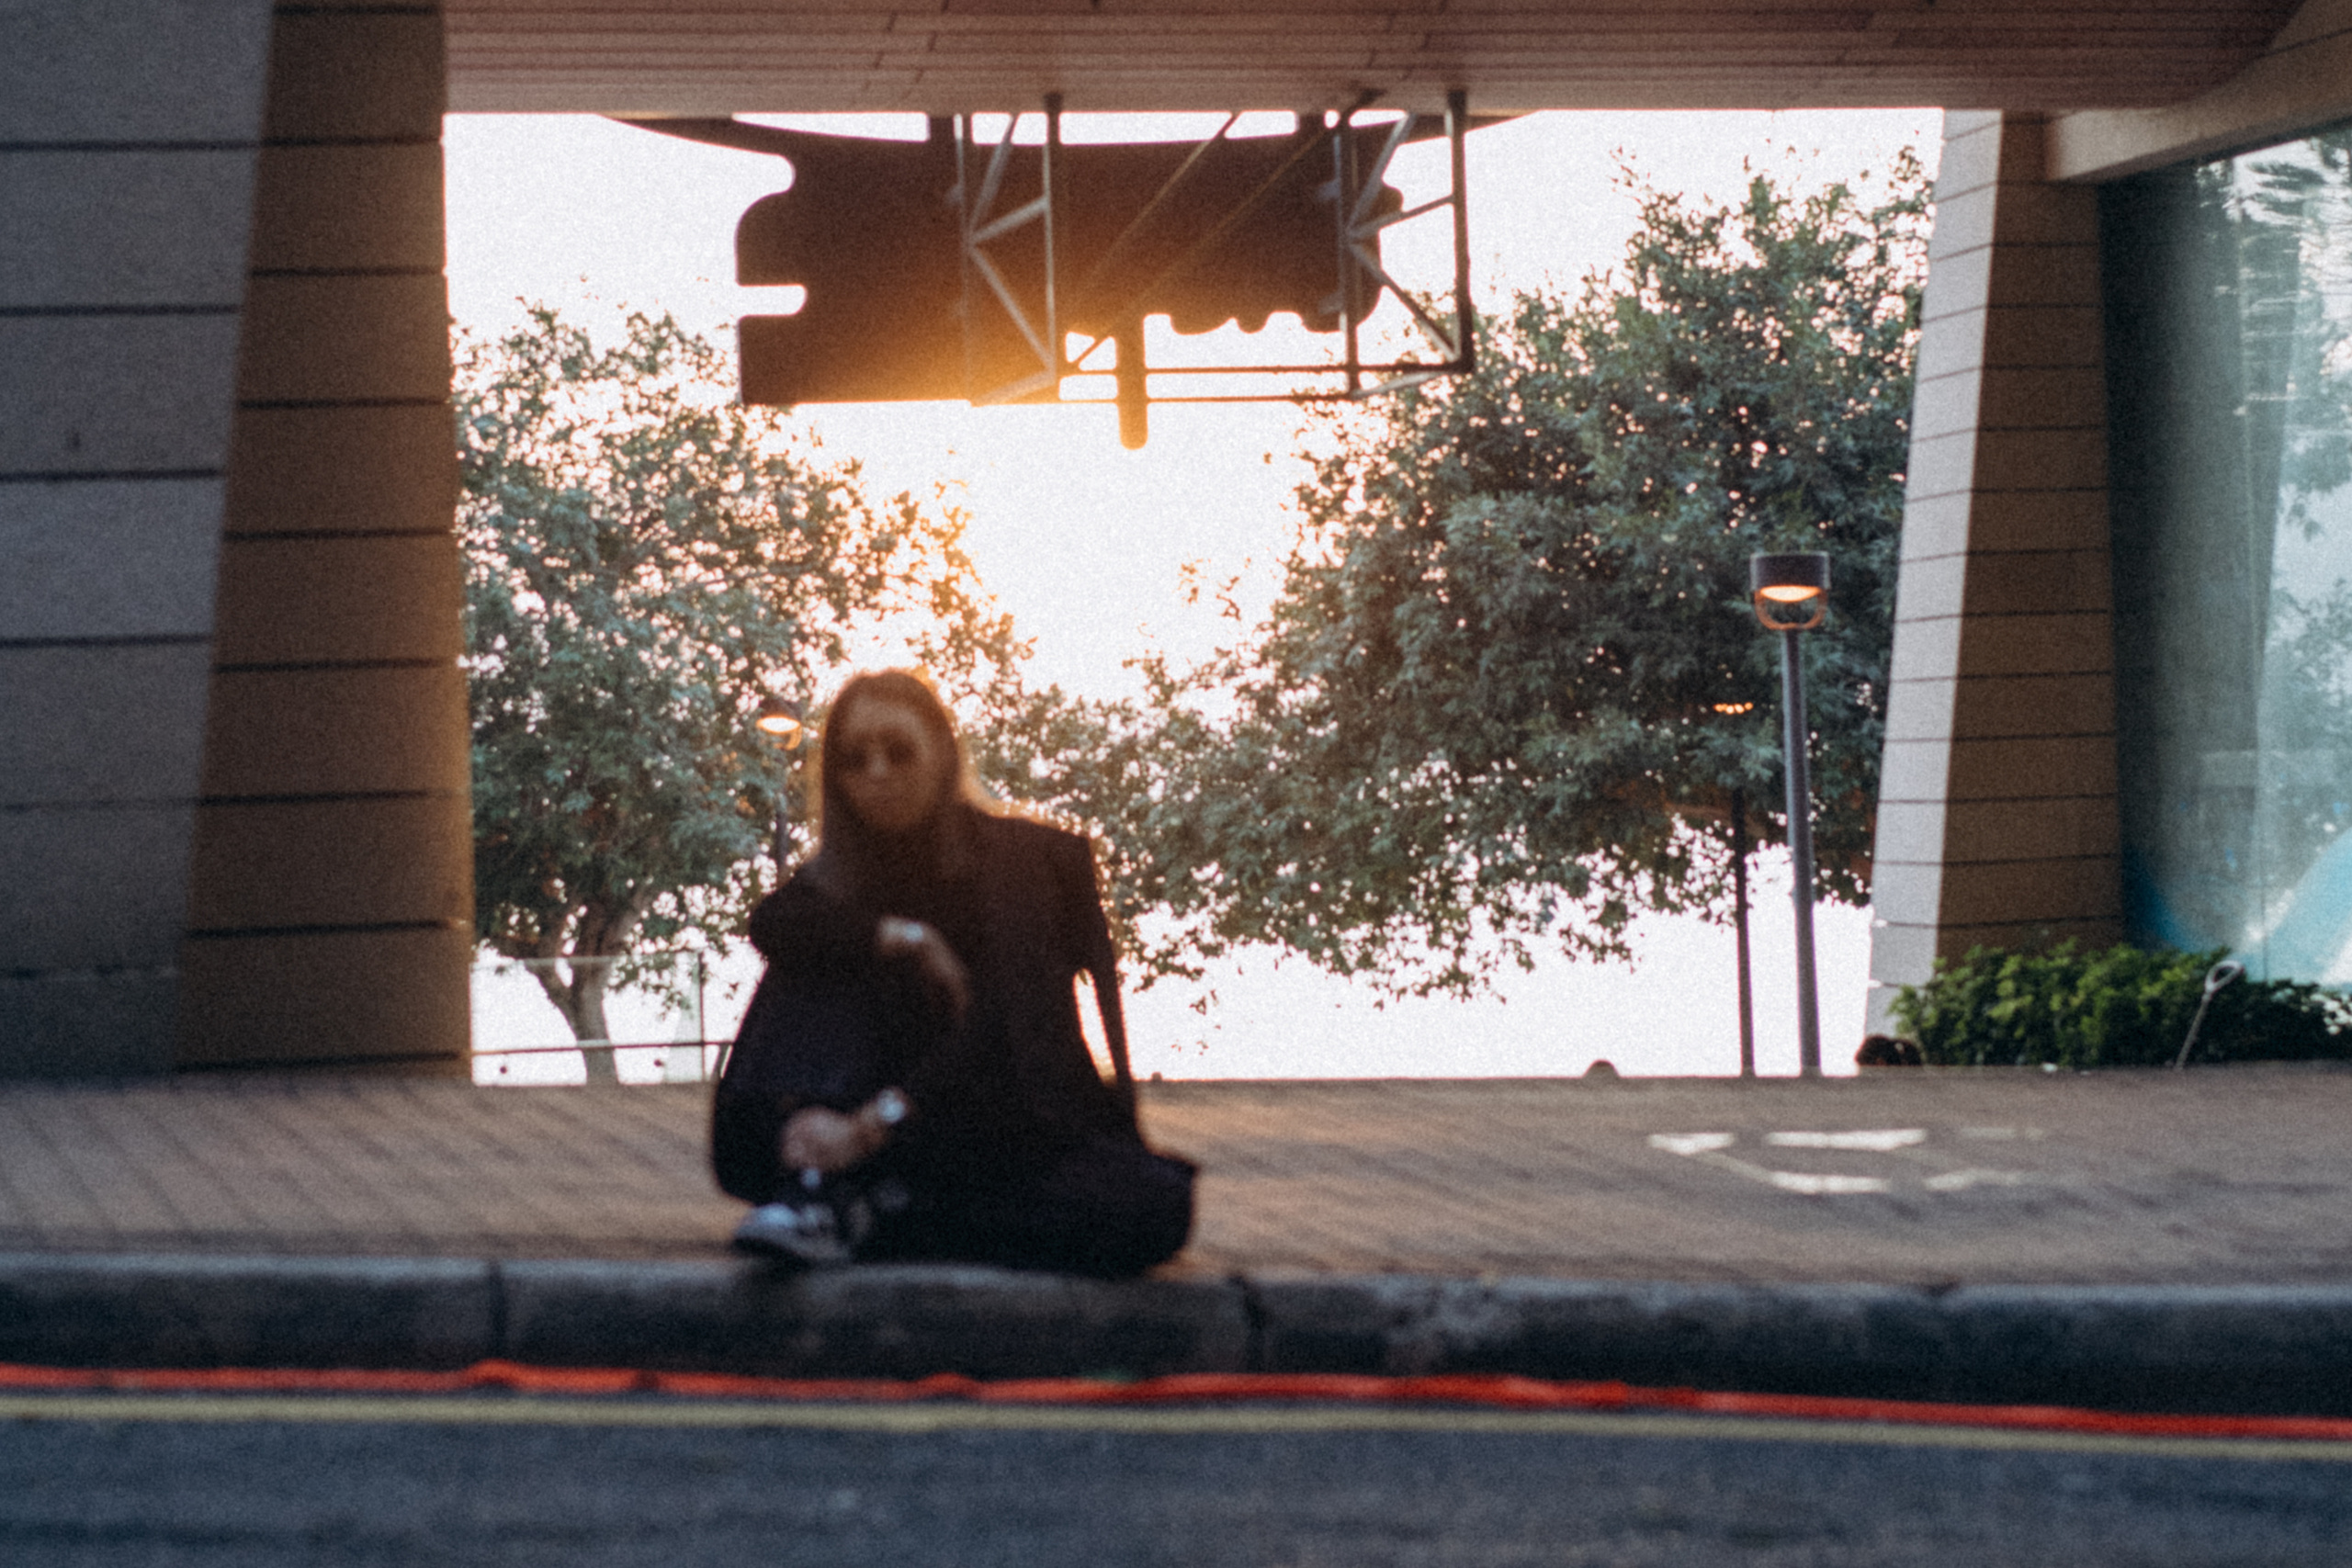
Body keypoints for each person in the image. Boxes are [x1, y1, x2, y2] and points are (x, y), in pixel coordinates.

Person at [711, 669, 1195, 1277]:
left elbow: (1003, 1026)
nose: (878, 772)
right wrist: (900, 937)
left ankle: (871, 1212)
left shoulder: (1016, 866)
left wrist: (871, 1126)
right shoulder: (844, 878)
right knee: (815, 947)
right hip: (847, 1120)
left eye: (899, 749)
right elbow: (773, 923)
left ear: (942, 750)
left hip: (989, 1124)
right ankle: (837, 1194)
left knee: (1150, 1208)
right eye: (855, 759)